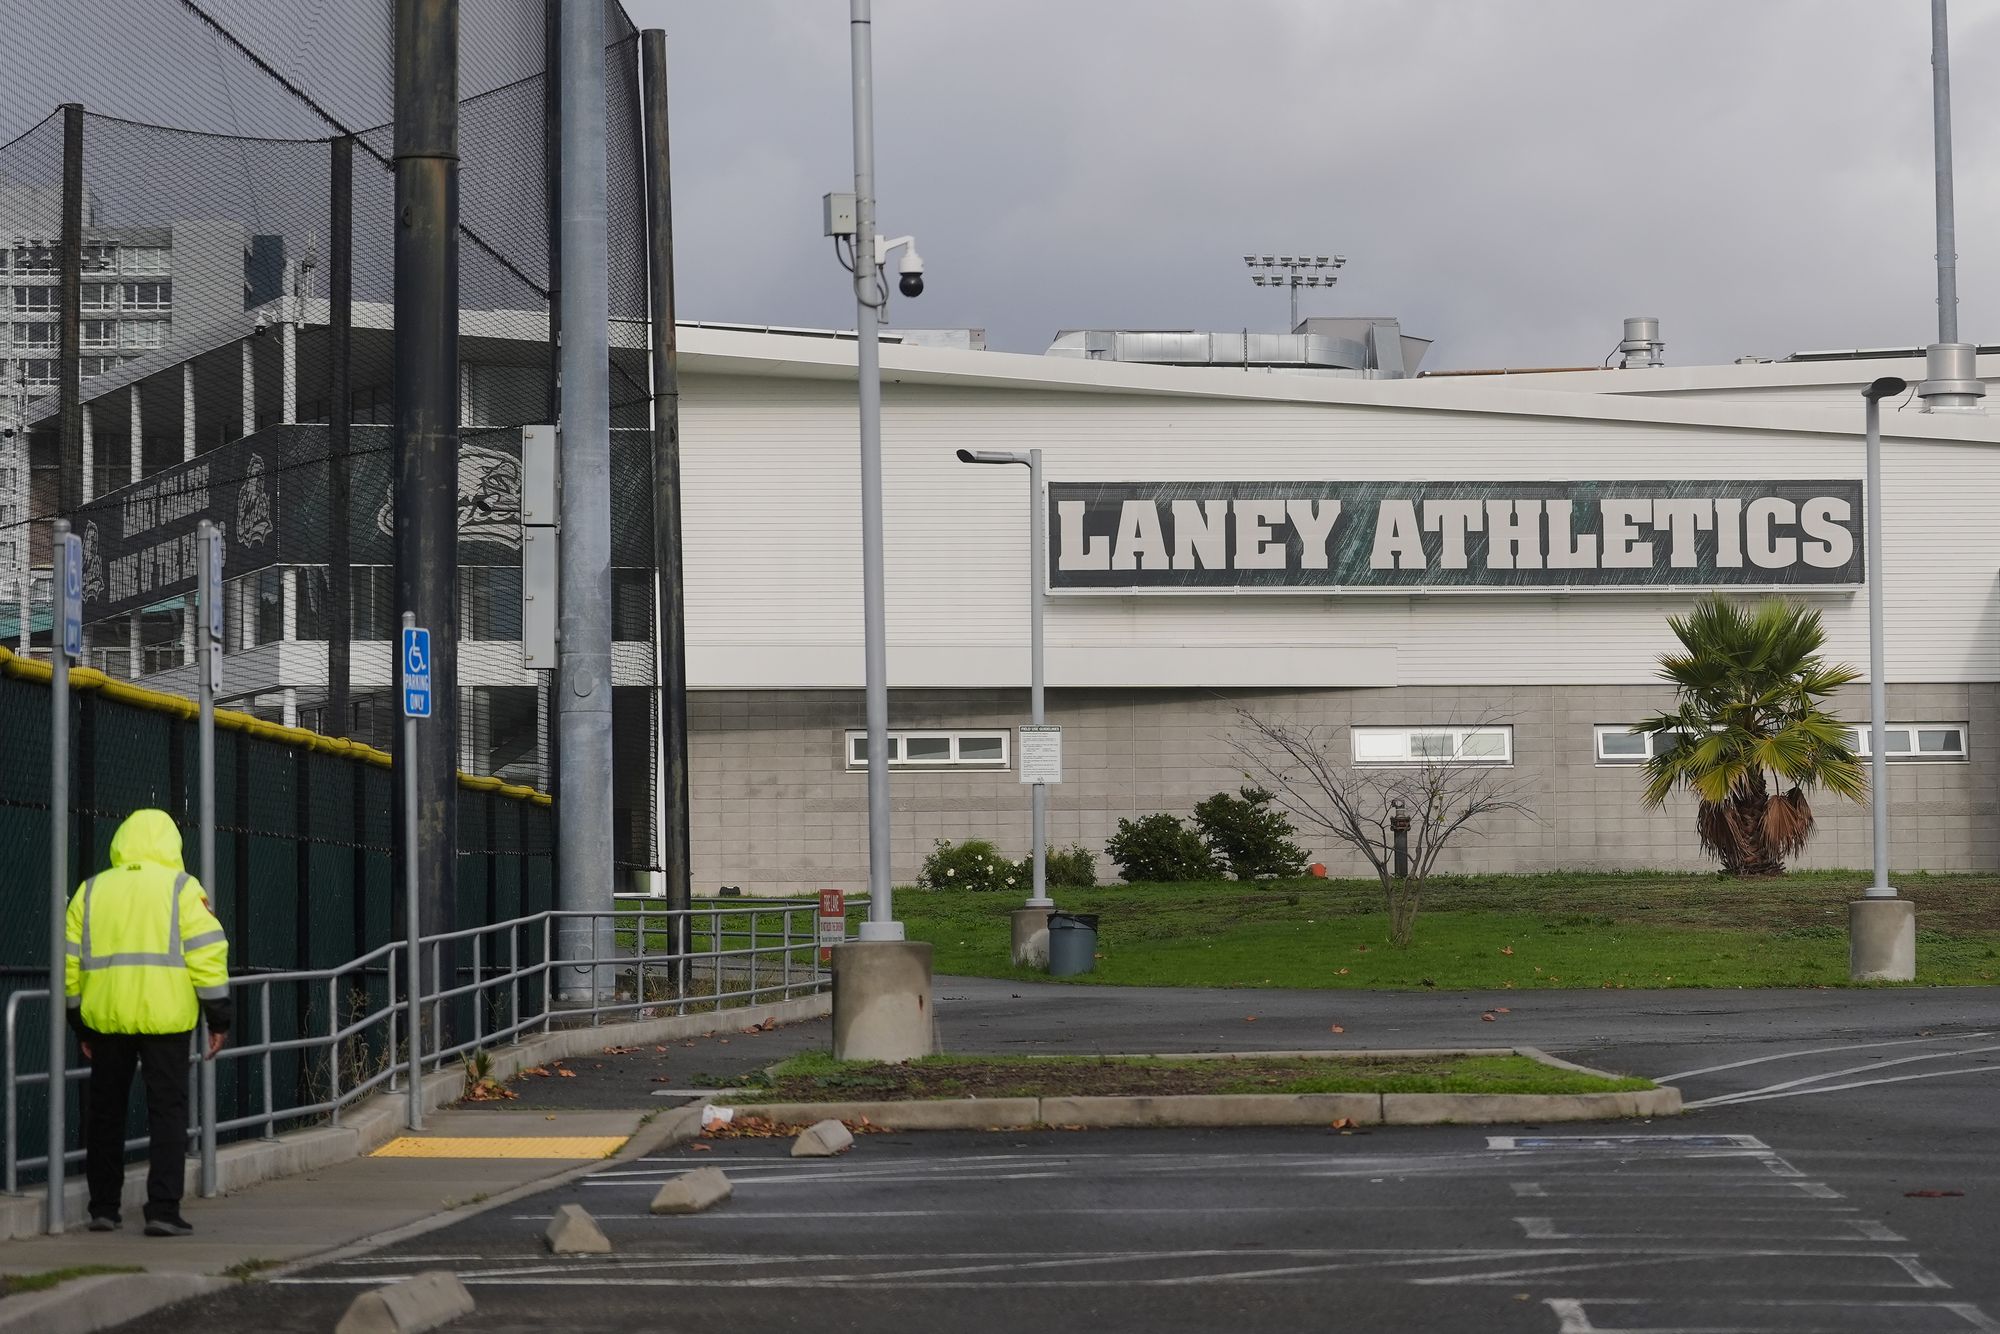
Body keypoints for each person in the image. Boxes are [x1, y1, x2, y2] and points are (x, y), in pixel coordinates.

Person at [64, 809, 231, 1236]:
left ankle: (102, 1207)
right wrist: (218, 1018)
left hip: (107, 1020)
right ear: (171, 844)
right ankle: (162, 1209)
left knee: (104, 1114)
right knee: (167, 1114)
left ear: (121, 841)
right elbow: (208, 955)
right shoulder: (182, 888)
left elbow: (70, 962)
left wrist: (78, 1024)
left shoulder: (92, 889)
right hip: (166, 1020)